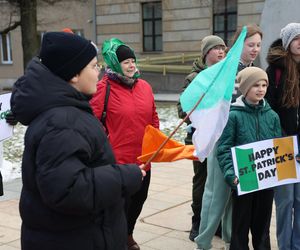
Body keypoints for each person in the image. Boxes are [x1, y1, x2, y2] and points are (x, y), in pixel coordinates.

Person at [10, 32, 144, 250]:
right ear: (74, 75)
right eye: (93, 65)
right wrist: (125, 176)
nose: (99, 70)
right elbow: (68, 189)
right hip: (74, 238)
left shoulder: (66, 112)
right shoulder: (62, 121)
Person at [195, 24, 263, 250]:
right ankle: (203, 242)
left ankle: (227, 239)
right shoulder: (225, 69)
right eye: (250, 44)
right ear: (239, 44)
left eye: (258, 45)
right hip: (222, 141)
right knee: (216, 196)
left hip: (244, 143)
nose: (254, 49)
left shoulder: (255, 68)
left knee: (236, 196)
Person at [90, 38, 159, 250]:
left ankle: (128, 233)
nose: (131, 65)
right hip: (116, 162)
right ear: (114, 63)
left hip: (143, 160)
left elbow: (153, 117)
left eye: (133, 60)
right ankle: (117, 240)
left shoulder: (144, 87)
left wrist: (156, 139)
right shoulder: (103, 88)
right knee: (118, 207)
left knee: (138, 201)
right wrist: (107, 145)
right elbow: (92, 121)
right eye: (126, 61)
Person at [217, 67, 281, 250]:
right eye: (255, 85)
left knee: (262, 228)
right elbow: (223, 149)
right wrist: (230, 174)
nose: (261, 89)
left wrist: (289, 159)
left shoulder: (273, 116)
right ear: (245, 88)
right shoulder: (233, 116)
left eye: (264, 85)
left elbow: (277, 147)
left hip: (266, 182)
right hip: (243, 181)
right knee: (240, 227)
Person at [177, 35, 226, 241]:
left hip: (221, 138)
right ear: (207, 53)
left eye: (224, 48)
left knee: (218, 183)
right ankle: (197, 222)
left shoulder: (225, 75)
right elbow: (182, 109)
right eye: (217, 48)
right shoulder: (194, 78)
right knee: (202, 181)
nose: (221, 51)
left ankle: (215, 223)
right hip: (201, 139)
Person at [265, 22, 300, 250]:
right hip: (284, 142)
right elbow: (269, 108)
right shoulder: (275, 70)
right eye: (297, 39)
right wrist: (280, 138)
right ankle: (285, 246)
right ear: (288, 43)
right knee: (286, 200)